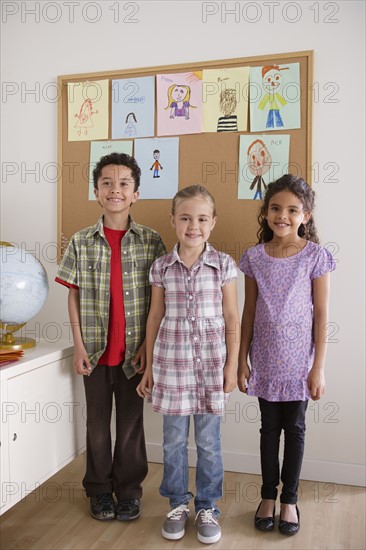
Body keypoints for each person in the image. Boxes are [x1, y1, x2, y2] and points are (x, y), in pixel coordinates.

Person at [55, 152, 166, 522]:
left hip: (135, 355)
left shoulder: (151, 241)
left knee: (131, 427)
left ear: (136, 193)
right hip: (97, 353)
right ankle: (100, 491)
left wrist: (149, 353)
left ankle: (129, 491)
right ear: (96, 191)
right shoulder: (81, 240)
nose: (114, 189)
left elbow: (159, 302)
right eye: (106, 183)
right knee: (98, 426)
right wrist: (79, 345)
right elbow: (72, 293)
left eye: (123, 184)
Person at [137, 185, 240, 544]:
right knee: (173, 442)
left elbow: (232, 317)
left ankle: (208, 505)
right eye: (185, 218)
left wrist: (230, 367)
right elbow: (154, 317)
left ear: (212, 223)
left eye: (201, 218)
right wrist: (149, 367)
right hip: (172, 365)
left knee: (210, 443)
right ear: (173, 221)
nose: (192, 226)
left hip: (212, 366)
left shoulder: (224, 265)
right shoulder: (161, 267)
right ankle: (178, 503)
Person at [237, 174, 336, 536]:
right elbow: (248, 313)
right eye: (275, 208)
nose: (283, 216)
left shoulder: (315, 257)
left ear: (306, 215)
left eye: (292, 210)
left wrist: (319, 368)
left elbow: (322, 314)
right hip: (263, 360)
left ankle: (289, 500)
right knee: (268, 430)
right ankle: (267, 496)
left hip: (298, 364)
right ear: (265, 213)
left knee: (294, 430)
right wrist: (240, 361)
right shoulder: (254, 257)